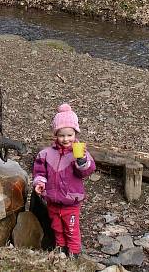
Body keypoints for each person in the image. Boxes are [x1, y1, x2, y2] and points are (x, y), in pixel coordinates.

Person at [32, 103, 95, 258]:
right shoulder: (46, 154)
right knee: (57, 228)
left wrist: (80, 160)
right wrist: (40, 183)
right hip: (53, 201)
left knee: (71, 229)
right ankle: (60, 251)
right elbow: (39, 171)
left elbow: (87, 170)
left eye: (69, 135)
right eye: (61, 135)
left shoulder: (79, 153)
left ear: (75, 133)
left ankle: (74, 255)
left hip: (71, 202)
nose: (66, 139)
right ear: (55, 135)